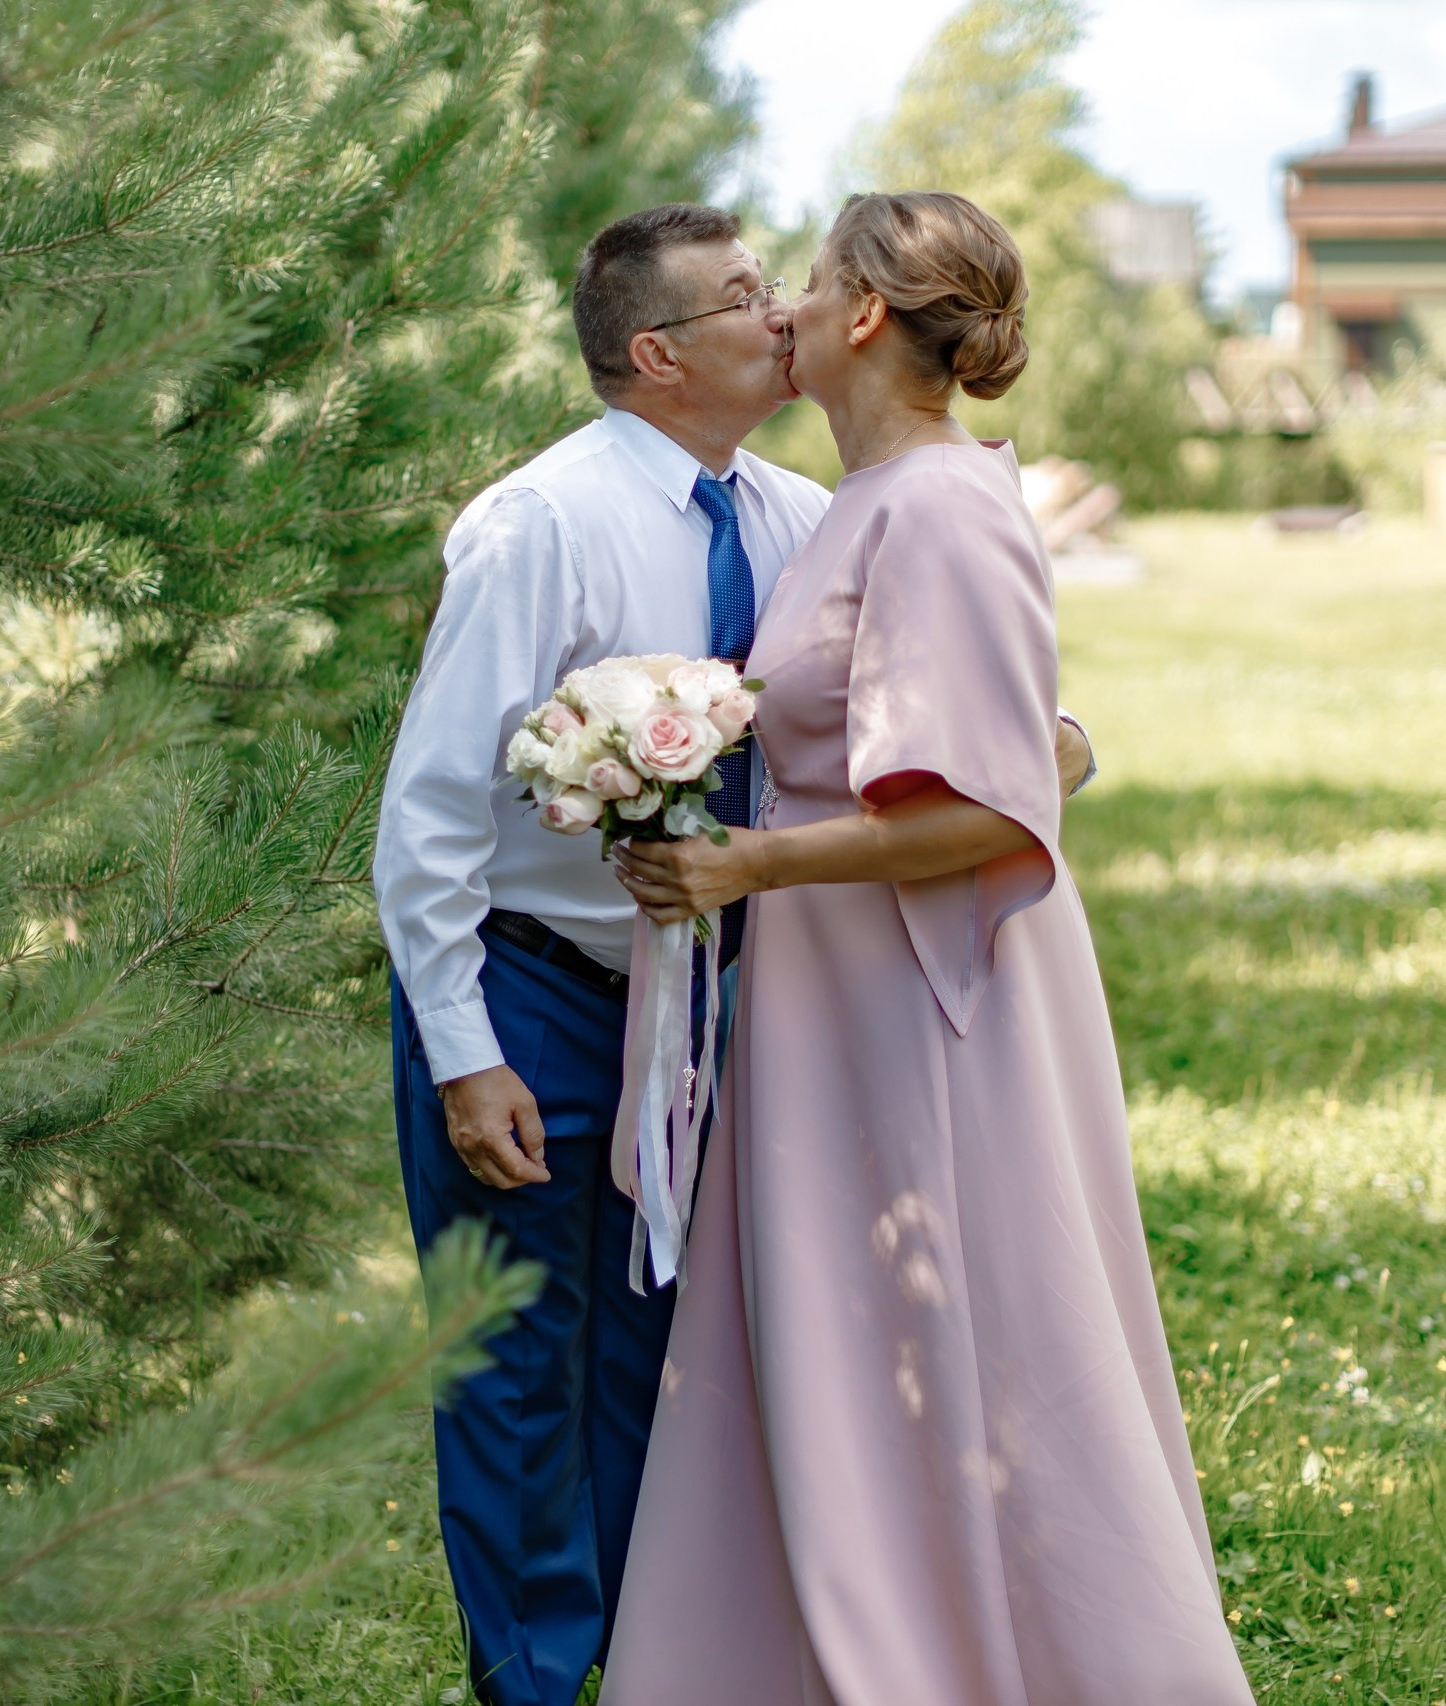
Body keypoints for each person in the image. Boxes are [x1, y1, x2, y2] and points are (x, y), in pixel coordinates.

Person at [373, 202, 1098, 1706]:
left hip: (717, 1003)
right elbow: (432, 809)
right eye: (746, 293)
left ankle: (663, 1663)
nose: (781, 312)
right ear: (658, 352)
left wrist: (1059, 743)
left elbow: (924, 687)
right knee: (518, 1370)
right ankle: (534, 1681)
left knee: (672, 1365)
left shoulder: (799, 512)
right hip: (532, 984)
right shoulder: (541, 523)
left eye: (786, 284)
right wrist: (463, 1048)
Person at [602, 192, 1255, 1704]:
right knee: (840, 1327)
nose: (781, 308)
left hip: (922, 988)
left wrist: (750, 863)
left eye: (806, 280)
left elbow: (981, 807)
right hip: (837, 982)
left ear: (865, 315)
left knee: (967, 1320)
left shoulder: (941, 505)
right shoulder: (865, 501)